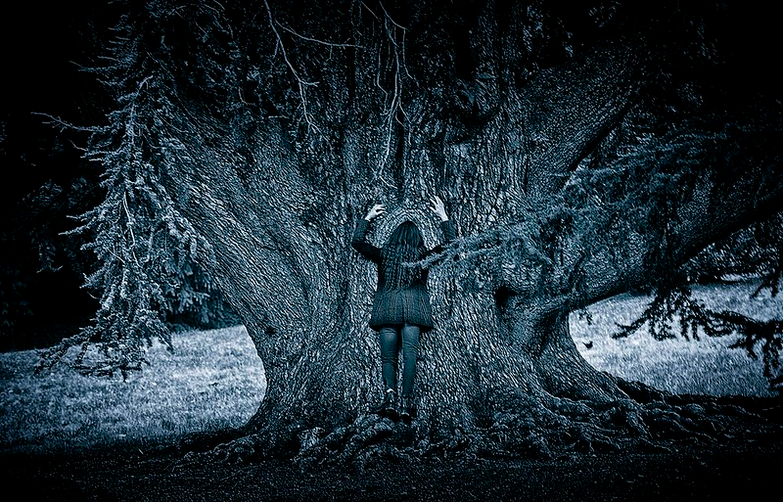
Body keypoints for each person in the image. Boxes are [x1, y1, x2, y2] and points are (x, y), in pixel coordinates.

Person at [351, 196, 455, 421]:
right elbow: (451, 244)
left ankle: (390, 399)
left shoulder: (384, 255)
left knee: (388, 359)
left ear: (393, 237)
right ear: (418, 239)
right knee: (410, 357)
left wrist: (367, 218)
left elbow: (357, 242)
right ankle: (406, 404)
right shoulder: (422, 257)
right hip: (414, 310)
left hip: (387, 309)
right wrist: (443, 216)